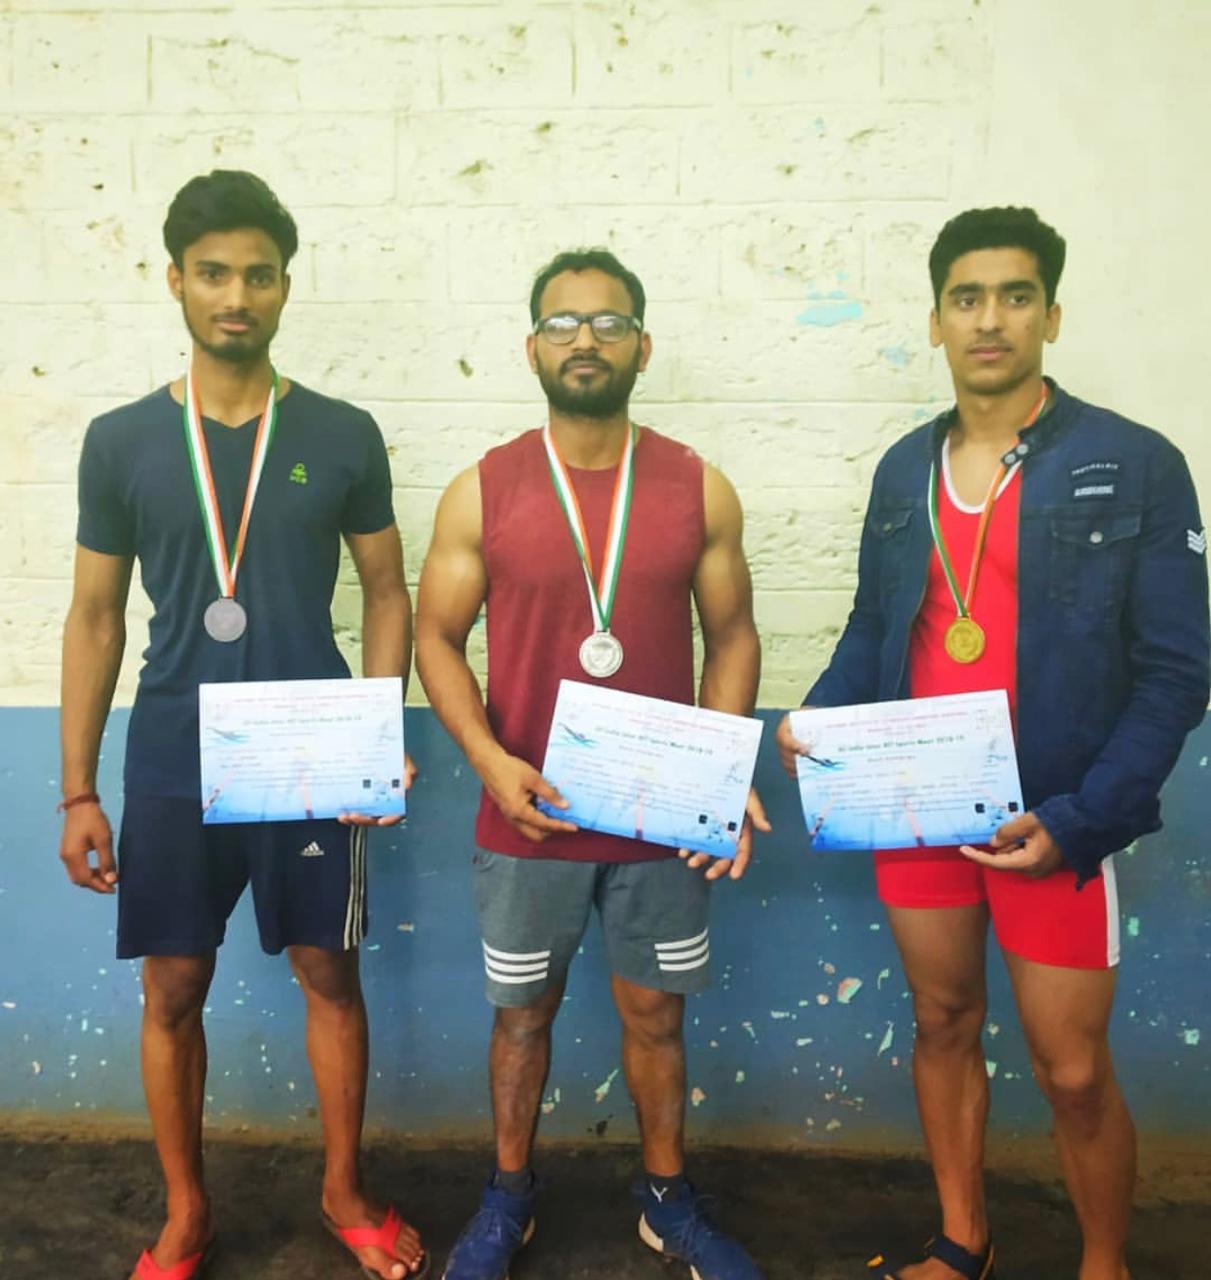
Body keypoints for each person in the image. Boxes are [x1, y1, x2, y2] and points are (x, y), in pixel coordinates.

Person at [777, 206, 1209, 1280]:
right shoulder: (902, 470)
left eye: (1015, 296)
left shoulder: (1134, 463)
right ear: (934, 321)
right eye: (965, 298)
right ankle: (960, 1241)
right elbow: (875, 628)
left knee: (1070, 1070)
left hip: (1052, 813)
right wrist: (816, 714)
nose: (988, 319)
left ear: (1049, 316)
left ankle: (1103, 1262)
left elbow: (1176, 672)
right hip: (913, 801)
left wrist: (1083, 819)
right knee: (940, 1019)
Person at [58, 170, 427, 1280]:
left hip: (309, 748)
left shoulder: (341, 433)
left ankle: (343, 1189)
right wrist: (77, 788)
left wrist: (376, 727)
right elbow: (93, 616)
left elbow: (388, 591)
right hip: (173, 752)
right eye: (213, 273)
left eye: (258, 275)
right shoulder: (120, 439)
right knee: (172, 987)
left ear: (283, 287)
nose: (236, 295)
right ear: (174, 280)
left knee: (328, 971)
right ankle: (185, 1212)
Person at [416, 248, 770, 1280]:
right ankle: (507, 1196)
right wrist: (488, 761)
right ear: (531, 346)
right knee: (520, 1017)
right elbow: (435, 637)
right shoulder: (481, 490)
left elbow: (733, 634)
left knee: (655, 1016)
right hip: (528, 811)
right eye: (562, 323)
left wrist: (717, 768)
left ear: (641, 347)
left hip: (660, 817)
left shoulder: (696, 486)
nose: (584, 339)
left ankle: (665, 1198)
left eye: (608, 323)